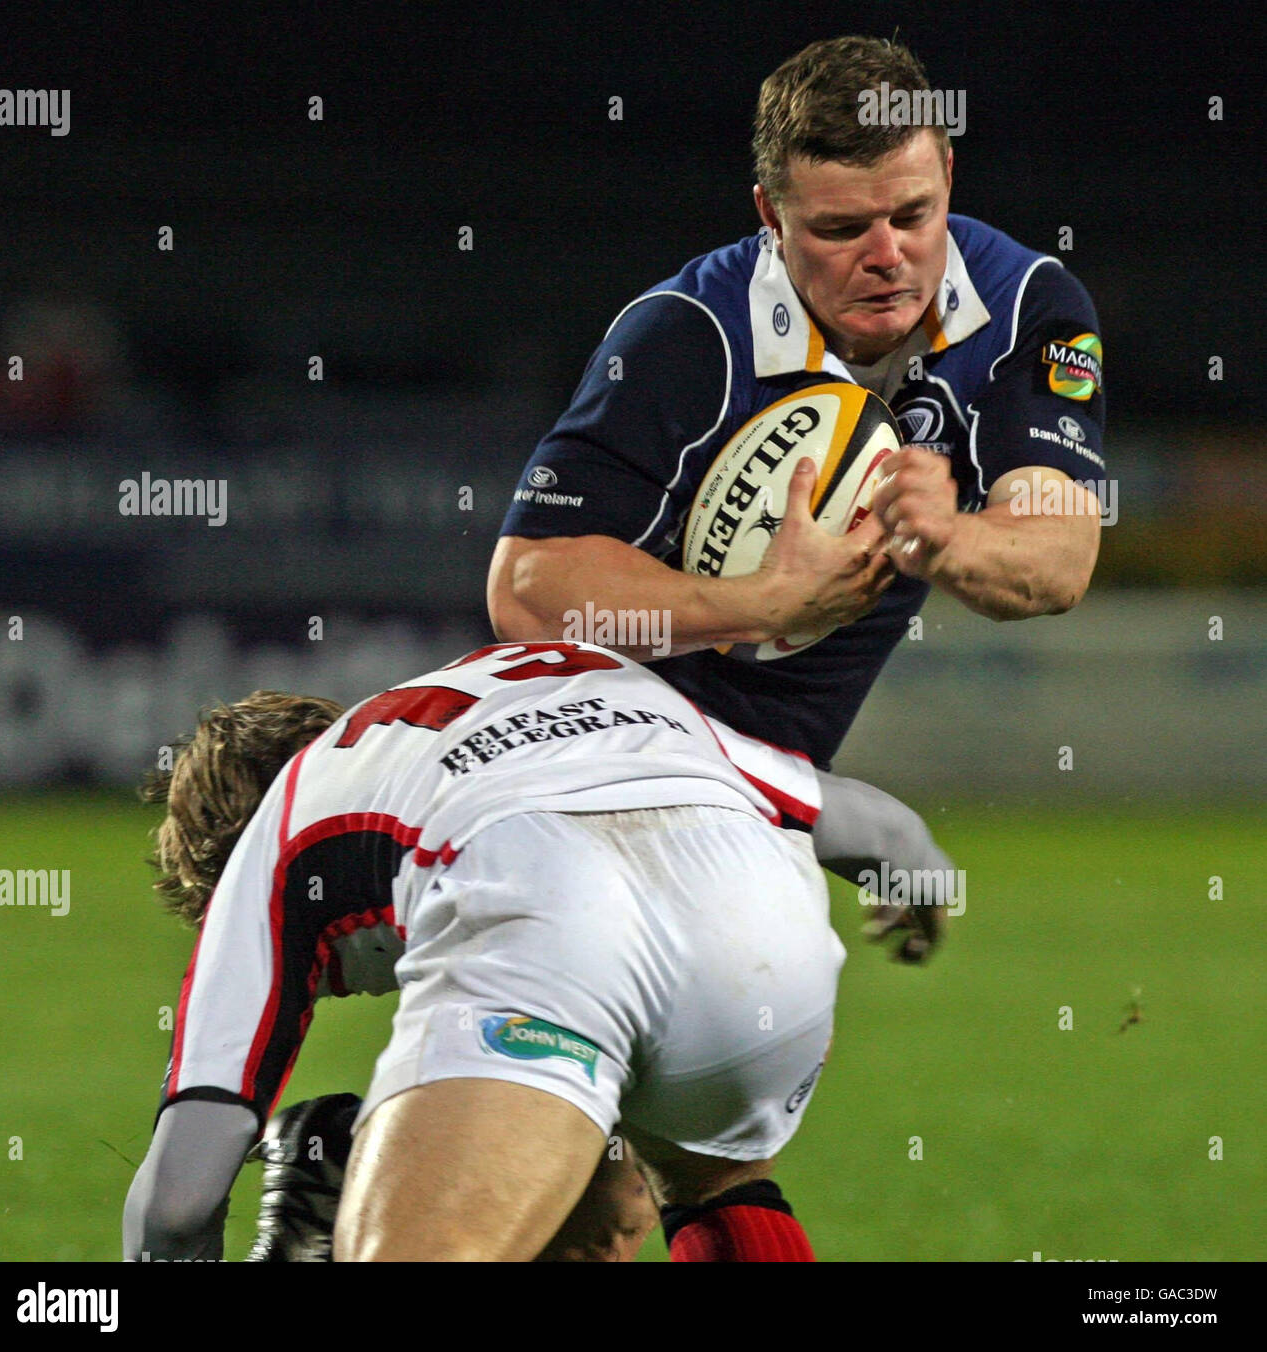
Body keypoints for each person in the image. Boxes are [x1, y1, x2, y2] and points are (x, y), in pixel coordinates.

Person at [488, 33, 1105, 866]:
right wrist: (765, 604)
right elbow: (528, 593)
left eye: (914, 215)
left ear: (949, 178)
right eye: (842, 228)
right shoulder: (687, 334)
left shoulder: (1029, 305)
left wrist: (950, 533)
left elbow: (1058, 561)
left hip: (765, 804)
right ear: (771, 217)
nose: (887, 256)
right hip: (582, 787)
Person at [124, 641, 851, 1262]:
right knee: (677, 1187)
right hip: (772, 919)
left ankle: (338, 1183)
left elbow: (176, 1204)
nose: (340, 990)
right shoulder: (474, 722)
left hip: (569, 915)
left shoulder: (281, 849)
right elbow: (851, 815)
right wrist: (910, 873)